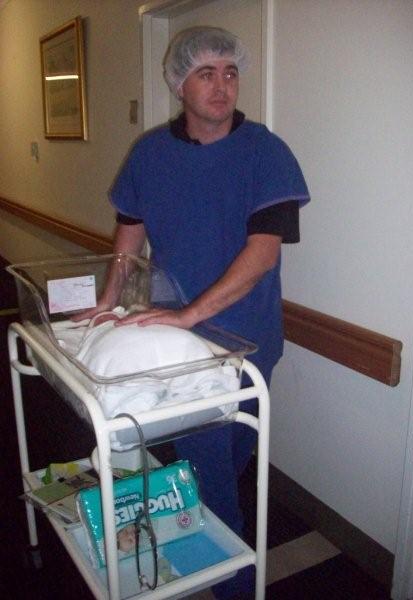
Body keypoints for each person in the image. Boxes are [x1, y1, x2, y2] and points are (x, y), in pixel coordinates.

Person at [107, 26, 310, 599]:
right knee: (215, 479)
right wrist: (107, 301)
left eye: (230, 72)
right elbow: (129, 232)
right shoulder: (150, 153)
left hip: (250, 342)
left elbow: (263, 253)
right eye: (205, 73)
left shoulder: (266, 152)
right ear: (179, 83)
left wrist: (191, 312)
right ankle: (234, 584)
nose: (221, 85)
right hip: (183, 352)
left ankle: (186, 523)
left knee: (229, 458)